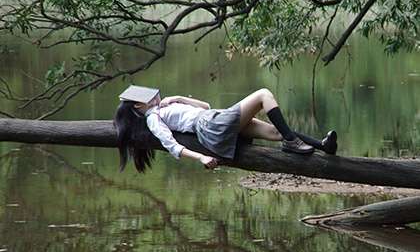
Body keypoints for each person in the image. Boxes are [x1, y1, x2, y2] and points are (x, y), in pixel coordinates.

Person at [114, 85, 338, 172]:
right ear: (138, 106)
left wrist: (179, 97)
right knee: (263, 94)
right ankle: (292, 143)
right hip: (210, 126)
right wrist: (201, 158)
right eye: (149, 96)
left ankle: (322, 146)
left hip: (212, 117)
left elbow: (205, 106)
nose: (156, 95)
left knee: (276, 132)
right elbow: (171, 145)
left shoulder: (164, 107)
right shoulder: (153, 118)